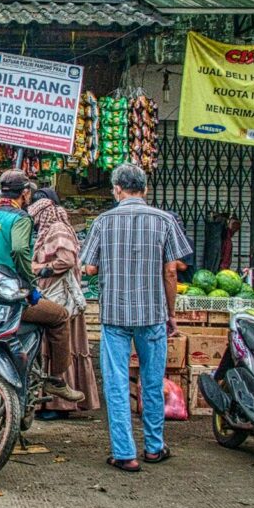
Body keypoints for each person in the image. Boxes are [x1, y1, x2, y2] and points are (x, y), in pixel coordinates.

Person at [81, 163, 192, 473]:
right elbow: (172, 270)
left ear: (117, 189)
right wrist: (171, 313)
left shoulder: (104, 221)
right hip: (153, 314)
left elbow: (88, 267)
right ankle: (155, 448)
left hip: (115, 314)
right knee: (152, 382)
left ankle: (125, 453)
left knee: (116, 384)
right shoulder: (164, 220)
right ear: (145, 189)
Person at [0, 170, 85, 404]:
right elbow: (21, 250)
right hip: (9, 298)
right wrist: (30, 285)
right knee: (60, 316)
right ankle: (57, 380)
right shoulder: (20, 218)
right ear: (25, 193)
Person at [29, 195, 100, 416]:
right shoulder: (51, 230)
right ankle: (49, 403)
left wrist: (40, 268)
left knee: (62, 346)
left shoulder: (57, 229)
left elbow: (66, 260)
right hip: (53, 294)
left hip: (61, 298)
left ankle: (60, 405)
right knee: (54, 346)